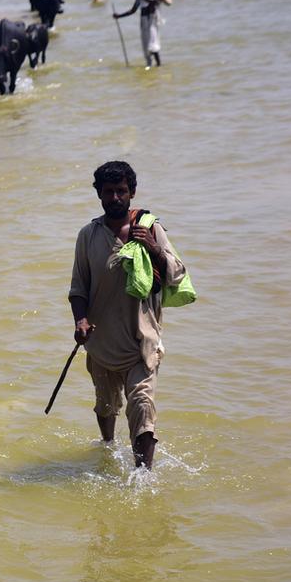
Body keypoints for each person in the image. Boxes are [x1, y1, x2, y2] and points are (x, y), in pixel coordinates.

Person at [69, 161, 187, 469]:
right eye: (109, 192)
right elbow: (78, 288)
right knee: (106, 408)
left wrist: (155, 250)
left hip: (141, 343)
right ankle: (107, 450)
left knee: (141, 407)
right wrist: (80, 321)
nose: (116, 198)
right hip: (101, 343)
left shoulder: (150, 230)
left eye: (122, 191)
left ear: (132, 192)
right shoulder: (88, 236)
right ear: (99, 195)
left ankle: (143, 479)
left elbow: (177, 273)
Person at [113, 0, 165, 68]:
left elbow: (152, 2)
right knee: (150, 43)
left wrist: (119, 16)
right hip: (149, 19)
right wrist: (119, 16)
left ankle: (157, 65)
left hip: (149, 20)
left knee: (151, 43)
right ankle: (153, 65)